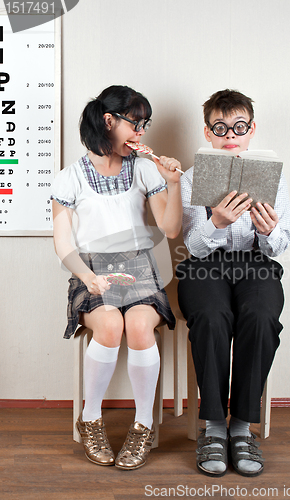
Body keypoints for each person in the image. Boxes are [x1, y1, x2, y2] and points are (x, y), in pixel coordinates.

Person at [52, 85, 182, 470]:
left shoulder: (143, 169)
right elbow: (63, 244)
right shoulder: (69, 178)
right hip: (89, 269)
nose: (141, 134)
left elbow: (171, 230)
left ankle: (142, 427)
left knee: (140, 326)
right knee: (109, 326)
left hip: (140, 267)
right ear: (109, 121)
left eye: (145, 126)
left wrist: (173, 184)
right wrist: (88, 277)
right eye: (135, 124)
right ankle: (91, 418)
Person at [176, 89, 290, 477]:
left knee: (260, 317)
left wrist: (269, 232)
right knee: (210, 316)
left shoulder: (273, 176)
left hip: (256, 264)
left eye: (239, 127)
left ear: (251, 129)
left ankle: (241, 427)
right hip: (205, 266)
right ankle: (214, 427)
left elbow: (281, 244)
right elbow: (191, 246)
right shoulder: (192, 179)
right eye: (221, 127)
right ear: (208, 132)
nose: (230, 135)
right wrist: (216, 223)